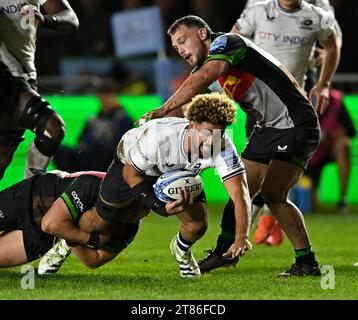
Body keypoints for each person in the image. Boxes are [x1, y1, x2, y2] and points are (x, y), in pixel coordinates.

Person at [138, 15, 323, 277]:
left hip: (296, 123)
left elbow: (203, 78)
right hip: (267, 129)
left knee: (273, 194)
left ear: (202, 33)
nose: (180, 50)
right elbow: (198, 103)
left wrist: (163, 108)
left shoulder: (228, 43)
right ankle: (225, 252)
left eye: (183, 41)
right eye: (175, 47)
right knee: (240, 188)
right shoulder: (207, 70)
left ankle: (307, 262)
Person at [40, 92, 253, 278]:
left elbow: (240, 194)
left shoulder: (223, 146)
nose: (212, 141)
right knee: (99, 225)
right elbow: (132, 175)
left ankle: (181, 251)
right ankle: (66, 243)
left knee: (198, 226)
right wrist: (159, 207)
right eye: (207, 133)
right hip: (130, 163)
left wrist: (241, 237)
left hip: (174, 174)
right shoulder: (159, 137)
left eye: (220, 133)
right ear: (191, 125)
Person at [230, 0, 341, 246]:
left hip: (294, 107)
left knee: (280, 169)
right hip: (259, 106)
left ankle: (260, 223)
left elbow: (334, 42)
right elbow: (230, 43)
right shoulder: (257, 9)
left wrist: (324, 83)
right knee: (260, 170)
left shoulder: (318, 12)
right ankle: (256, 224)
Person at [0, 169, 140, 271]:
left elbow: (94, 260)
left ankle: (65, 241)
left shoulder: (130, 227)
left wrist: (72, 238)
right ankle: (65, 239)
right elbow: (51, 224)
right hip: (31, 196)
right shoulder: (93, 186)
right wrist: (91, 239)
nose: (146, 213)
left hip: (42, 237)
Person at [0, 0, 78, 179]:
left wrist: (43, 19)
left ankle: (25, 196)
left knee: (2, 160)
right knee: (52, 127)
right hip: (4, 78)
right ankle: (30, 191)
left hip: (24, 79)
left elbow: (70, 18)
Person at [53, 79, 133, 173]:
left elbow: (119, 147)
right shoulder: (93, 118)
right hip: (91, 155)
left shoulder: (123, 119)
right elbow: (81, 140)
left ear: (115, 96)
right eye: (101, 96)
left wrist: (95, 143)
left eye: (107, 96)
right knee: (58, 150)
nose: (104, 100)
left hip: (108, 160)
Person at [306, 88, 355, 211]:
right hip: (308, 151)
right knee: (310, 204)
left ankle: (343, 199)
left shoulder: (336, 101)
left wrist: (328, 135)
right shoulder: (303, 99)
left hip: (329, 149)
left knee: (344, 144)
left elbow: (351, 131)